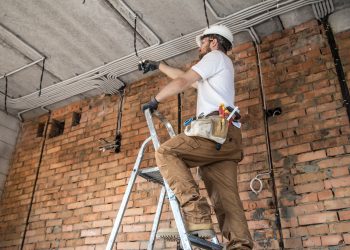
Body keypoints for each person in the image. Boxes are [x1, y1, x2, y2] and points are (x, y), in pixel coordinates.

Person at [140, 25, 253, 249]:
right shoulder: (218, 67)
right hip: (228, 138)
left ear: (213, 42)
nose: (199, 48)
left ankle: (198, 218)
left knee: (166, 152)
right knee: (226, 200)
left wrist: (155, 100)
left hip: (215, 131)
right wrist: (159, 66)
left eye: (202, 42)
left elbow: (181, 83)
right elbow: (186, 79)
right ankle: (240, 246)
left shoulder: (215, 56)